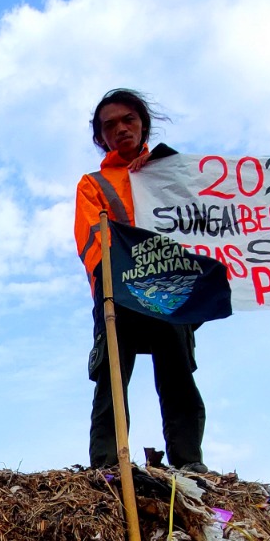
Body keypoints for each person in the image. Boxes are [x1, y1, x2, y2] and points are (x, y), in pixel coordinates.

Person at [75, 89, 207, 472]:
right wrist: (118, 281)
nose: (120, 129)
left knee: (178, 374)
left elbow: (200, 227)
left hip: (172, 287)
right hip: (118, 292)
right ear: (101, 137)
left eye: (128, 119)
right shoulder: (94, 183)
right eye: (109, 125)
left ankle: (190, 461)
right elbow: (91, 240)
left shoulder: (174, 172)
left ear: (142, 123)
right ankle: (107, 464)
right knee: (112, 381)